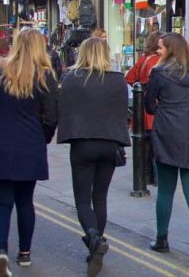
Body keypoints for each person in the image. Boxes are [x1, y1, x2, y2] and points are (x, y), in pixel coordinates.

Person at [0, 28, 58, 277]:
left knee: (1, 204)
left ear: (16, 45)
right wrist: (42, 137)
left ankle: (1, 252)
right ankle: (24, 254)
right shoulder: (45, 75)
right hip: (29, 144)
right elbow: (53, 116)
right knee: (25, 202)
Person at [57, 38, 130, 276]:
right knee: (100, 197)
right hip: (109, 145)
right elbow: (123, 113)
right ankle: (95, 246)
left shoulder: (72, 79)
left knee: (82, 200)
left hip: (83, 145)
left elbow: (63, 111)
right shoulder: (118, 80)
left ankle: (94, 239)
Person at [144, 32, 189, 264]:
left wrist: (163, 111)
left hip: (168, 135)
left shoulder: (158, 73)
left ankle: (162, 239)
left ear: (171, 50)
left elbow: (148, 105)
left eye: (161, 48)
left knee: (165, 190)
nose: (158, 51)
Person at [126, 31, 162, 134]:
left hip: (142, 105)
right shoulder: (159, 60)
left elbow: (129, 77)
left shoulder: (143, 59)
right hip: (155, 106)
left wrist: (139, 87)